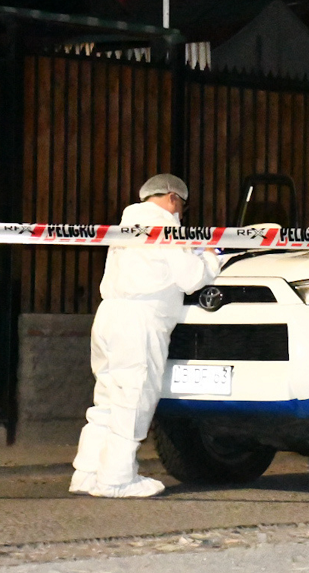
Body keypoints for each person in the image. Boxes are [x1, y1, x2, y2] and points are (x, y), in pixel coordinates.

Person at [70, 174, 221, 498]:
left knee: (107, 398)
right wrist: (210, 257)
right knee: (134, 397)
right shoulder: (165, 225)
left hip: (109, 315)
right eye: (182, 205)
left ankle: (86, 473)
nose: (180, 212)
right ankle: (117, 478)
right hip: (141, 319)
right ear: (172, 198)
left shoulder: (125, 226)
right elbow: (190, 278)